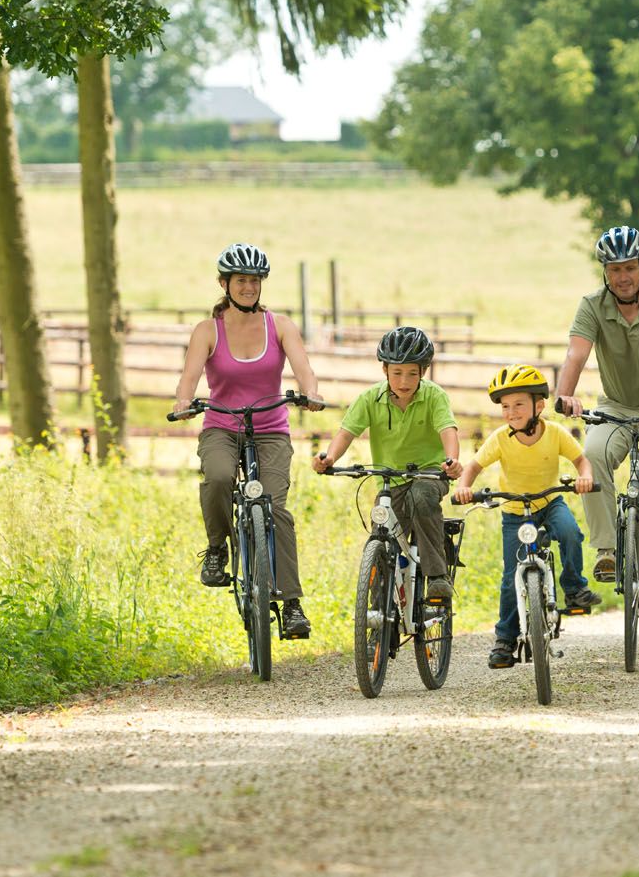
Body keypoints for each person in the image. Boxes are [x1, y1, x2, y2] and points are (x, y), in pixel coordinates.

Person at [172, 242, 324, 641]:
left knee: (275, 508)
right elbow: (189, 378)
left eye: (255, 281)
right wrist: (184, 402)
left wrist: (310, 393)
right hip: (222, 426)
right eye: (241, 280)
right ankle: (217, 548)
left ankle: (291, 604)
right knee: (219, 476)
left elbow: (304, 368)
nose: (248, 287)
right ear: (224, 284)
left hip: (271, 428)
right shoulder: (208, 330)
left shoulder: (280, 326)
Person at [554, 225, 639, 584]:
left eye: (630, 267)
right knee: (592, 455)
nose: (623, 277)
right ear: (605, 272)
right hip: (615, 408)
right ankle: (607, 549)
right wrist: (565, 395)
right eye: (615, 269)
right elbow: (576, 354)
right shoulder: (592, 305)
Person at [453, 365, 599, 669]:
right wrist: (464, 487)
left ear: (539, 406)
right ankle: (505, 640)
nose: (511, 412)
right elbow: (473, 467)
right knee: (511, 578)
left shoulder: (555, 433)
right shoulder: (500, 438)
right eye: (505, 406)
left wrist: (584, 477)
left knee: (570, 532)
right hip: (515, 512)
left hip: (549, 501)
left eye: (518, 404)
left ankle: (574, 589)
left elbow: (581, 460)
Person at [311, 326, 463, 602]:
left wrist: (452, 461)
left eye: (412, 373)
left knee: (421, 497)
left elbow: (448, 430)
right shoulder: (370, 398)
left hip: (430, 474)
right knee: (382, 532)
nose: (404, 381)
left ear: (423, 372)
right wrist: (330, 458)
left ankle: (437, 576)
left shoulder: (434, 396)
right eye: (397, 373)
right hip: (390, 479)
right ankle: (377, 612)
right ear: (384, 370)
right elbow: (346, 433)